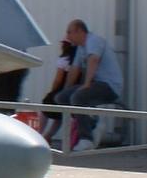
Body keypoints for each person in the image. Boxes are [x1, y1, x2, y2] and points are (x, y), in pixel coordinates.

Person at [53, 19, 124, 150]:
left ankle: (86, 139)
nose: (67, 37)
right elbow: (74, 70)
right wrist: (66, 91)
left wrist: (86, 84)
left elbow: (94, 59)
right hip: (96, 84)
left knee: (78, 97)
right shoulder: (81, 48)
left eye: (70, 32)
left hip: (109, 86)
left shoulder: (93, 41)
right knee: (61, 98)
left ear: (80, 31)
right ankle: (91, 122)